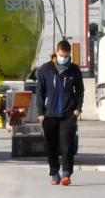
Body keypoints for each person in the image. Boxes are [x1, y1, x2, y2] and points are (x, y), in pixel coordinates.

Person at [35, 39, 83, 186]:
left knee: (67, 145)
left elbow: (80, 90)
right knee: (51, 145)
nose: (64, 58)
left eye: (67, 56)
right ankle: (55, 173)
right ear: (57, 52)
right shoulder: (45, 69)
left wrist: (78, 108)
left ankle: (66, 174)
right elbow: (40, 92)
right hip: (50, 114)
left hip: (68, 113)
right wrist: (40, 112)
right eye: (62, 55)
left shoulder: (74, 70)